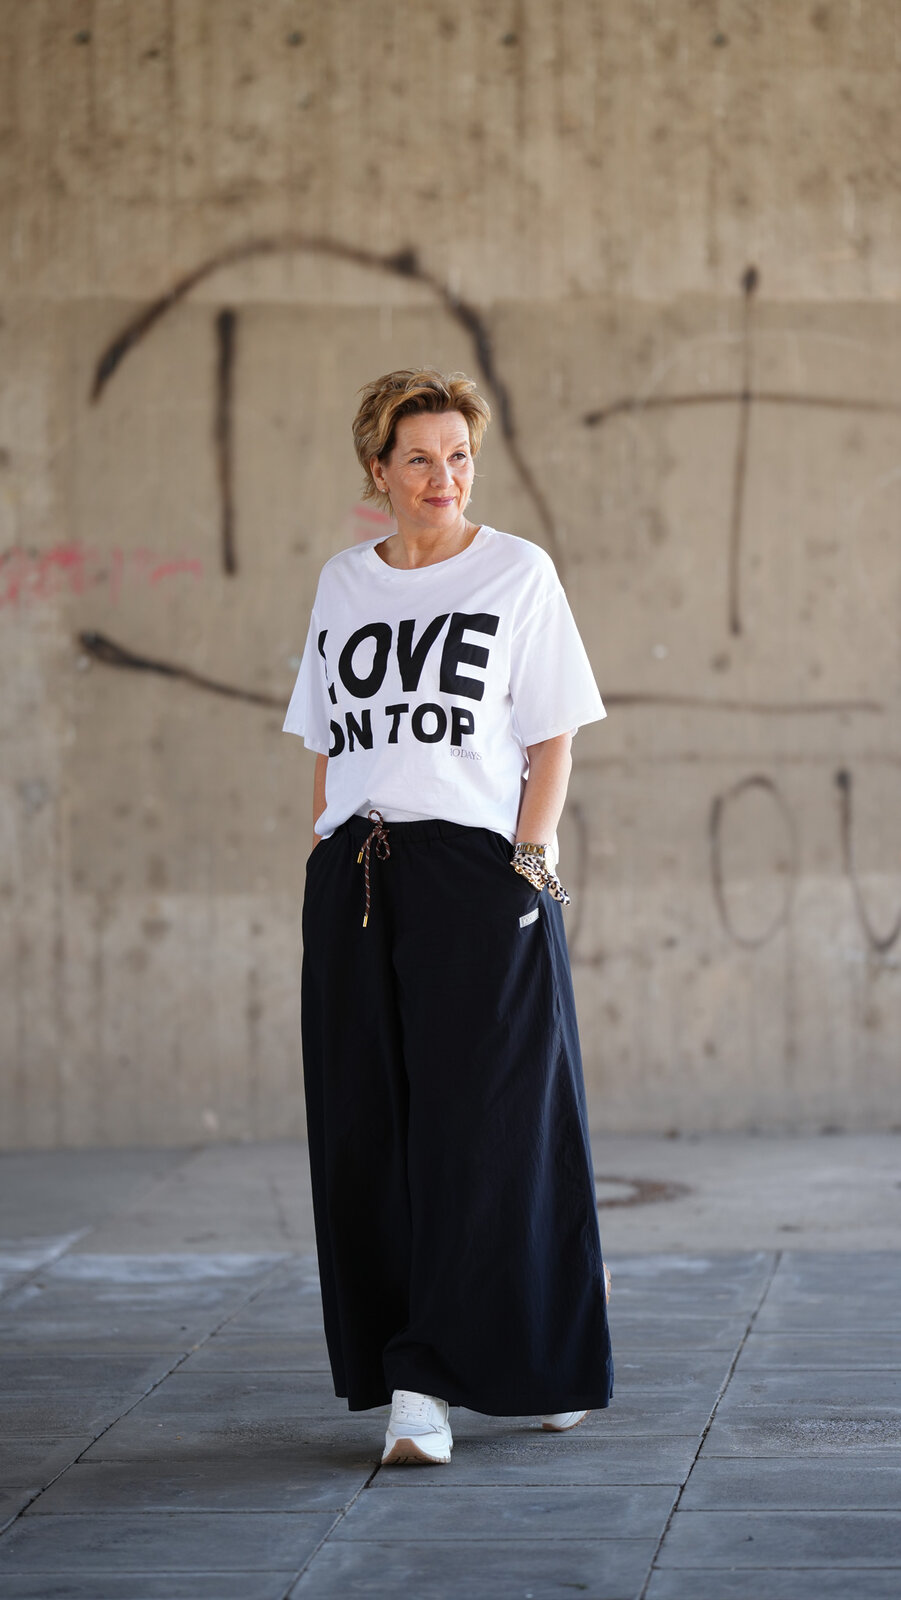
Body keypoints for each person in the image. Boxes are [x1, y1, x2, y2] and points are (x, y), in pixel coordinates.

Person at [283, 368, 613, 1466]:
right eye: (419, 458)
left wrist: (527, 860)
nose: (444, 477)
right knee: (366, 1134)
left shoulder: (517, 571)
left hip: (477, 873)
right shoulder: (344, 582)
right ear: (377, 469)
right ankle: (406, 1373)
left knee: (495, 1130)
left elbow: (553, 735)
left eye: (459, 456)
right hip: (357, 876)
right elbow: (327, 736)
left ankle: (487, 1371)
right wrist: (322, 847)